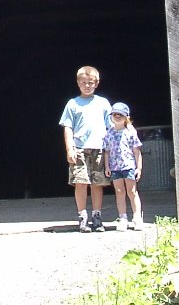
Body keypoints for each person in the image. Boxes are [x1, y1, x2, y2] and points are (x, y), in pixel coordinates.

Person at [59, 65, 112, 232]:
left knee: (97, 184)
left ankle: (97, 216)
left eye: (90, 82)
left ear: (97, 83)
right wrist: (70, 149)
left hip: (99, 148)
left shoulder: (103, 103)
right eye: (83, 82)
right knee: (80, 182)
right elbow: (68, 127)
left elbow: (111, 127)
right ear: (78, 83)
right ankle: (82, 216)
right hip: (80, 148)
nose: (87, 86)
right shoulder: (72, 104)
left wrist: (111, 150)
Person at [102, 102, 143, 231]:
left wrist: (139, 167)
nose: (117, 116)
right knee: (119, 192)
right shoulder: (109, 133)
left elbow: (137, 151)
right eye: (115, 114)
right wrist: (107, 166)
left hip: (129, 166)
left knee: (132, 192)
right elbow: (107, 151)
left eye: (120, 114)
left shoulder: (131, 132)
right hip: (115, 167)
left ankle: (137, 217)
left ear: (126, 117)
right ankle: (123, 218)